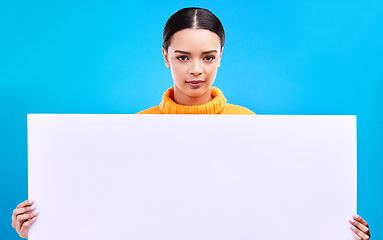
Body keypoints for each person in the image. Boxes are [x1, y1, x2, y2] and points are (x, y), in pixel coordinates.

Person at [11, 7, 371, 240]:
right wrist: (42, 228)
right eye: (182, 57)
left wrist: (336, 228)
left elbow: (276, 213)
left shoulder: (249, 125)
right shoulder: (135, 129)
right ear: (165, 56)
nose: (195, 70)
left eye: (207, 57)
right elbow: (109, 214)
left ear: (220, 58)